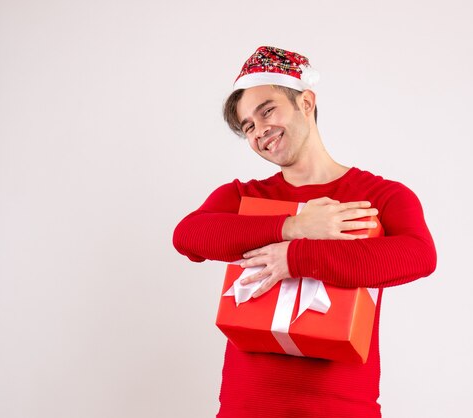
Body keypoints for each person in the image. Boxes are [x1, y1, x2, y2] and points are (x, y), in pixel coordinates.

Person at [173, 46, 437, 418]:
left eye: (267, 110)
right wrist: (294, 226)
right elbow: (188, 236)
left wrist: (295, 257)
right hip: (245, 408)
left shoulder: (380, 195)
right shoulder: (241, 196)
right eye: (248, 126)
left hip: (343, 410)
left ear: (307, 102)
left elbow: (419, 256)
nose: (259, 130)